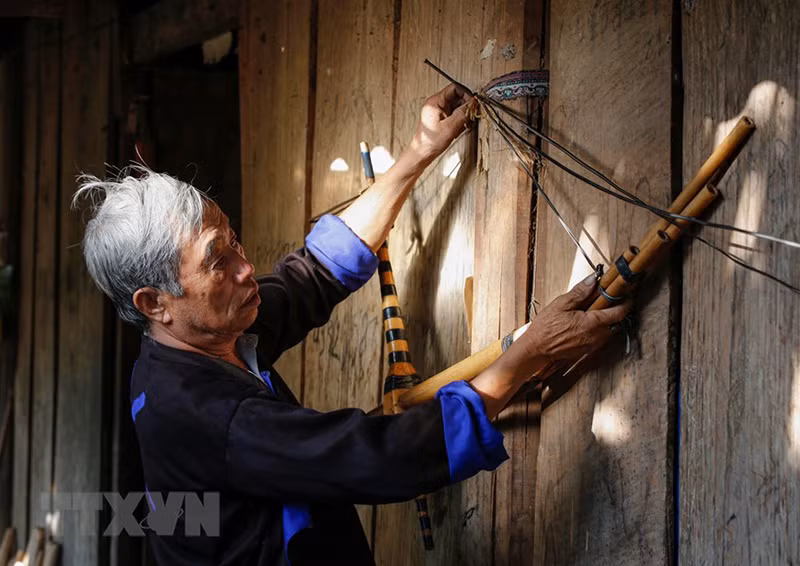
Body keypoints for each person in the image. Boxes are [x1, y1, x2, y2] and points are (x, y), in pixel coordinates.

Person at [74, 85, 630, 565]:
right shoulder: (203, 414)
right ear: (155, 303)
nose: (245, 268)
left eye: (233, 240)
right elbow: (376, 459)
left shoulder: (202, 336)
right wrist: (528, 356)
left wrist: (420, 151)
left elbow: (312, 274)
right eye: (216, 261)